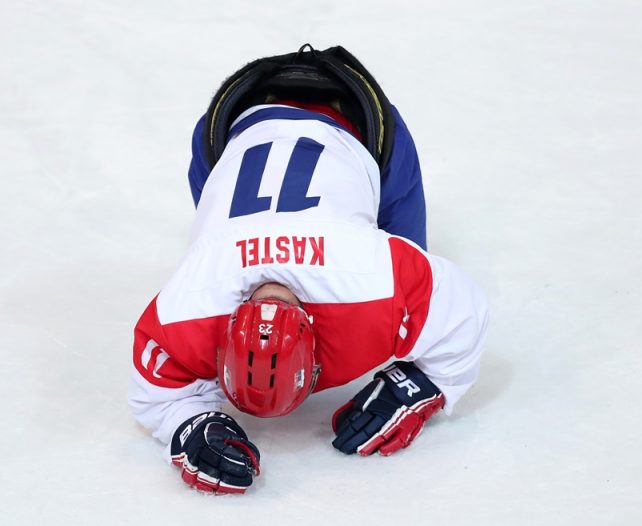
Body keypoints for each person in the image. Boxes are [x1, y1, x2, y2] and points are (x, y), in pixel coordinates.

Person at [129, 45, 489, 495]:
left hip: (318, 128)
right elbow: (463, 306)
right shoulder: (367, 278)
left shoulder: (190, 306)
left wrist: (188, 425)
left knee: (410, 255)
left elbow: (154, 396)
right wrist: (424, 380)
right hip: (270, 129)